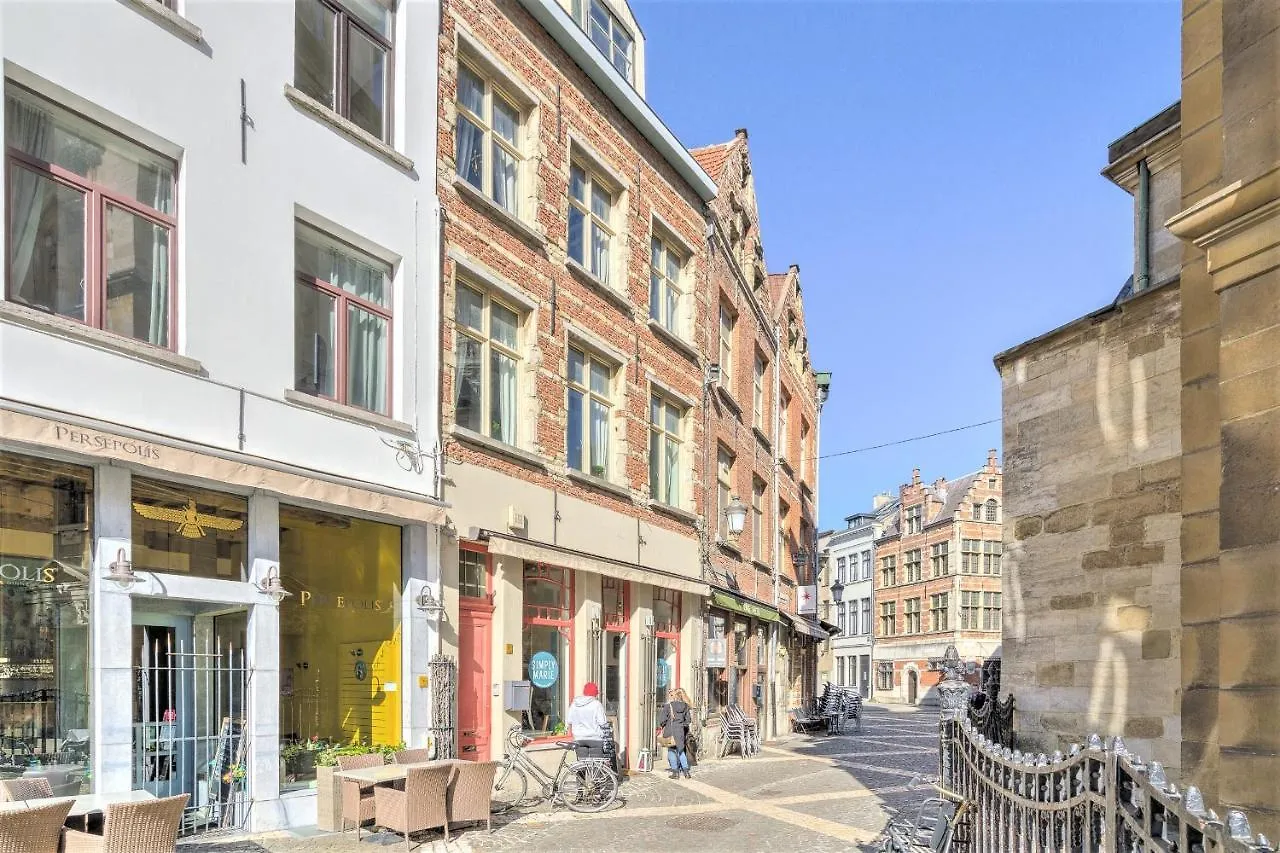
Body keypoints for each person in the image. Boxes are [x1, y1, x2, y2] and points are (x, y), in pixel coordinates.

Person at [656, 687, 693, 779]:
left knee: (671, 751)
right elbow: (688, 721)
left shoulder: (668, 706)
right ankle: (686, 772)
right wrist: (681, 725)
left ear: (674, 696)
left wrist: (664, 725)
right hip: (680, 731)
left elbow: (662, 720)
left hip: (670, 731)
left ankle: (675, 772)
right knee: (681, 751)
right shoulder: (686, 706)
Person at [567, 681, 607, 753]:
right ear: (595, 693)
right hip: (595, 739)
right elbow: (602, 722)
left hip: (579, 738)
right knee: (596, 763)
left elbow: (569, 721)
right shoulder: (596, 704)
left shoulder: (574, 704)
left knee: (582, 762)